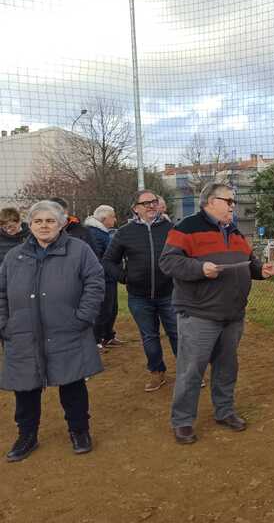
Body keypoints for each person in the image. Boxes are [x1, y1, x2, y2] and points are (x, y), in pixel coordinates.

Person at [160, 182, 274, 444]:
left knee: (226, 368)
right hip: (199, 314)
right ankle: (183, 420)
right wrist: (200, 269)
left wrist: (261, 271)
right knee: (191, 370)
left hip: (232, 314)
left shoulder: (234, 231)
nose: (233, 206)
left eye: (233, 201)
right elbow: (168, 262)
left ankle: (224, 411)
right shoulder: (186, 227)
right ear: (211, 202)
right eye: (229, 201)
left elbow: (248, 263)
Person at [0, 200, 104, 461]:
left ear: (61, 224)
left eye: (50, 221)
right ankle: (27, 435)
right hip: (23, 333)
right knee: (25, 388)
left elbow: (95, 282)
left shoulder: (79, 250)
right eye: (38, 221)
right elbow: (1, 293)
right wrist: (4, 324)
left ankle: (79, 431)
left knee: (72, 383)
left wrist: (83, 317)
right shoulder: (14, 256)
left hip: (67, 330)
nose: (44, 226)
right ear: (30, 224)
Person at [103, 189, 177, 392]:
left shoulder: (172, 229)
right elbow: (108, 261)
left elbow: (185, 255)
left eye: (154, 201)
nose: (151, 206)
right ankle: (157, 372)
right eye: (145, 203)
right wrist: (125, 277)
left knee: (177, 333)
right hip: (139, 297)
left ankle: (189, 373)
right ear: (135, 209)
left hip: (169, 294)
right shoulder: (124, 232)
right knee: (149, 336)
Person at [85, 205, 121, 350]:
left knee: (112, 308)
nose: (115, 220)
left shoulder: (102, 232)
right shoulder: (94, 233)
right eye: (113, 216)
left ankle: (108, 335)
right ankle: (95, 339)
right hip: (103, 278)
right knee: (103, 309)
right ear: (104, 218)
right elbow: (98, 258)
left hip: (110, 277)